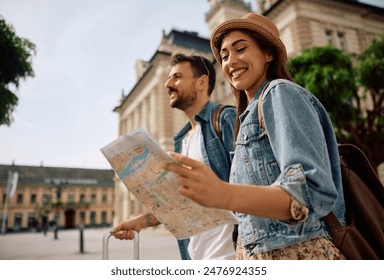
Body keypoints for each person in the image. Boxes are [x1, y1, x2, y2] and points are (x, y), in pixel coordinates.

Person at [164, 13, 347, 260]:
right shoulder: (247, 116)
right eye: (225, 56)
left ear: (268, 53)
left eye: (241, 49)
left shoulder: (279, 92)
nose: (231, 62)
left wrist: (223, 193)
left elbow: (313, 192)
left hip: (296, 253)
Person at [110, 53, 237, 260]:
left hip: (229, 255)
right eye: (169, 77)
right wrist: (141, 222)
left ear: (201, 82)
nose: (167, 84)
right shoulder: (182, 140)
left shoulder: (225, 120)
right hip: (195, 256)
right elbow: (185, 205)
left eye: (176, 77)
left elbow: (255, 185)